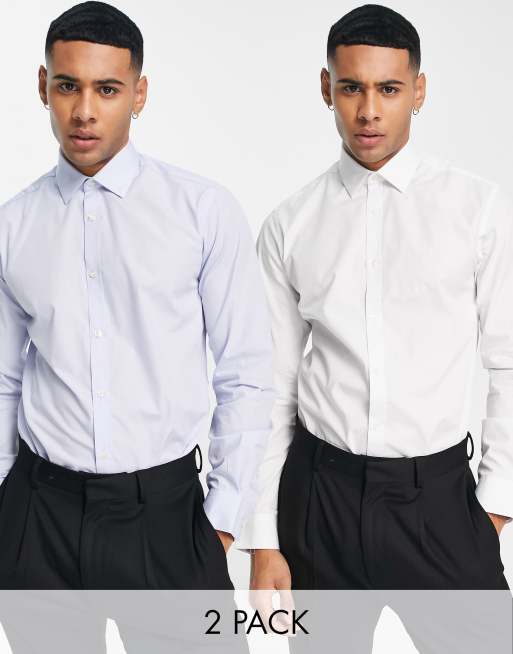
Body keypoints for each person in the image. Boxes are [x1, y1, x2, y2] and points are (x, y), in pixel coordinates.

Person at [237, 3, 512, 594]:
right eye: (350, 88)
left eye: (388, 89)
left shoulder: (476, 209)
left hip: (440, 501)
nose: (368, 111)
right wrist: (264, 537)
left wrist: (494, 507)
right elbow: (269, 385)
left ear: (418, 90)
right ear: (326, 88)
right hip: (320, 501)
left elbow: (509, 360)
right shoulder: (290, 224)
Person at [0, 0, 274, 592]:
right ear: (43, 86)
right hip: (39, 517)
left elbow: (246, 371)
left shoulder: (202, 211)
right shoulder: (13, 226)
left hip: (168, 518)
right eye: (67, 86)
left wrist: (222, 521)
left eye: (107, 89)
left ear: (139, 94)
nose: (84, 111)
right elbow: (3, 379)